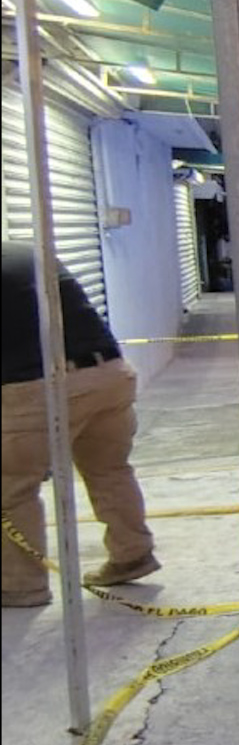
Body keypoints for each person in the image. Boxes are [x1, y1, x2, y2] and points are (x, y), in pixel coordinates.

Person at [1, 239, 159, 607]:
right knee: (109, 470)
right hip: (109, 376)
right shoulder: (28, 253)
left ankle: (21, 585)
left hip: (39, 386)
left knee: (12, 490)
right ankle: (132, 553)